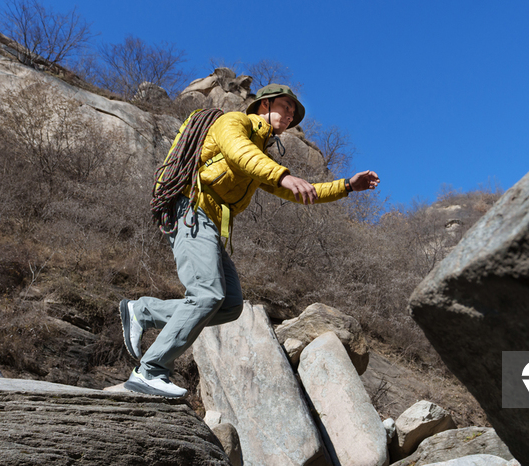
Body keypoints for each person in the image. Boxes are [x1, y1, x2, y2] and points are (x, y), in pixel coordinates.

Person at [120, 84, 380, 397]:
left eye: (293, 112)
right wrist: (284, 175)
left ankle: (143, 312)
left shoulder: (262, 155)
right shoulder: (233, 122)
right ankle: (150, 370)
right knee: (206, 295)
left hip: (210, 224)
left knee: (229, 305)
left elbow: (298, 192)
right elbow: (238, 153)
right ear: (263, 104)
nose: (290, 115)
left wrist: (347, 186)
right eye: (285, 106)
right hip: (190, 207)